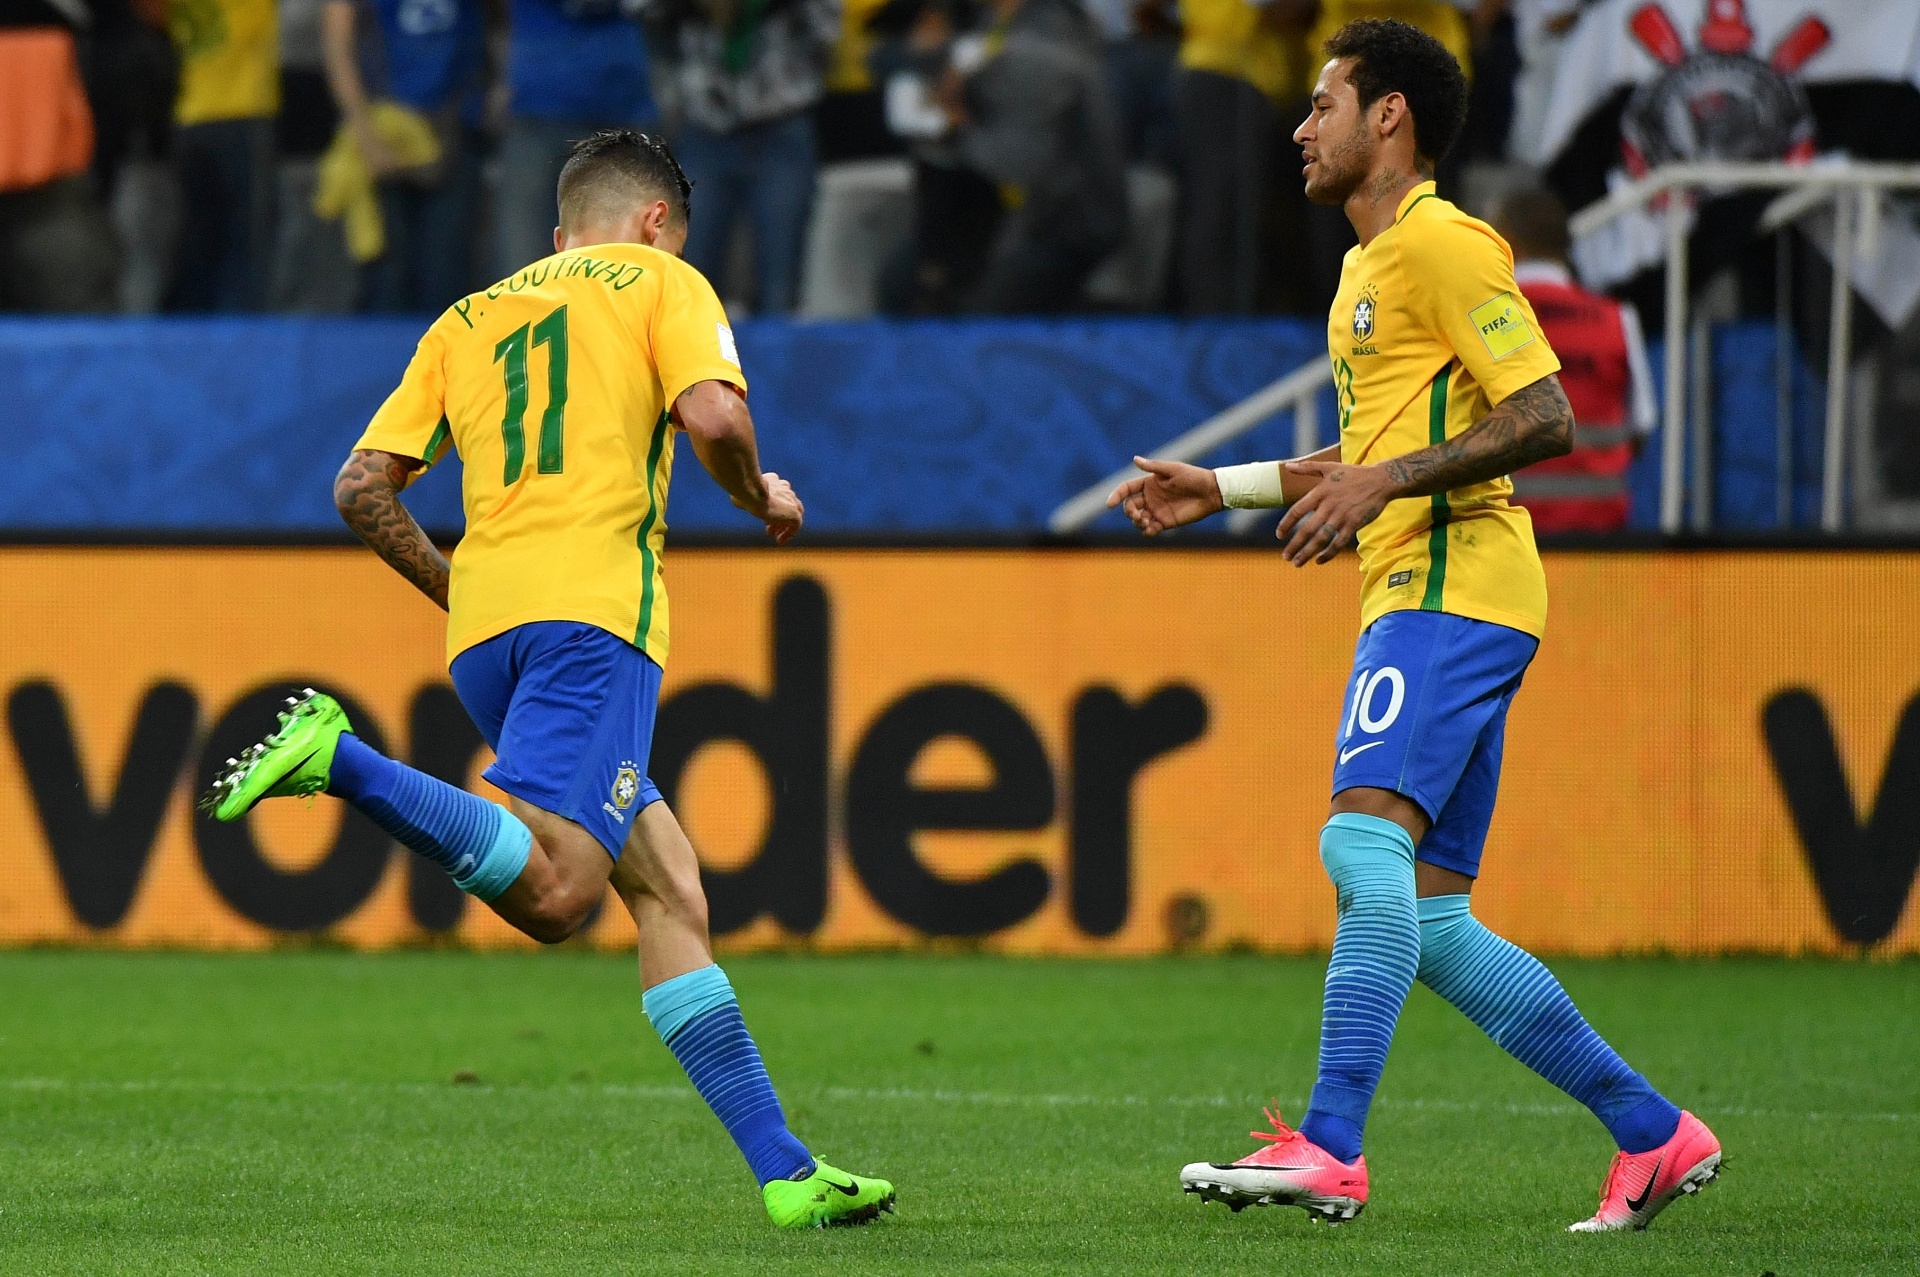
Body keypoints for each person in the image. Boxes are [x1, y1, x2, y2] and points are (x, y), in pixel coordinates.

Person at [199, 129, 895, 1230]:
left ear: (559, 230)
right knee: (565, 893)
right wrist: (760, 494)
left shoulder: (470, 314)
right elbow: (713, 415)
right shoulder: (664, 278)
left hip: (487, 638)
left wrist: (464, 587)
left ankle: (787, 1171)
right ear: (657, 219)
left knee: (669, 889)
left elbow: (360, 487)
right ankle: (342, 758)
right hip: (591, 619)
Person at [1107, 19, 1720, 1233]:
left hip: (1450, 575)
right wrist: (1222, 487)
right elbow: (1376, 449)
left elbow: (1545, 413)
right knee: (1431, 920)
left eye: (1324, 103)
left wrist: (1385, 487)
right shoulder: (1365, 269)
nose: (1300, 124)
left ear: (1389, 117)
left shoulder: (1442, 243)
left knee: (1356, 846)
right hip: (1442, 583)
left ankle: (1331, 1144)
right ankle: (1656, 1132)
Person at [642, 0, 839, 316]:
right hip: (703, 128)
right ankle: (689, 365)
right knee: (687, 281)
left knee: (781, 288)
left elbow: (829, 28)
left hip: (781, 124)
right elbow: (640, 12)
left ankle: (777, 364)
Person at [1497, 187, 1655, 533]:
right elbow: (1641, 427)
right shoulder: (1617, 319)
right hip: (1600, 542)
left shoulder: (1483, 321)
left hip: (1508, 539)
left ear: (1505, 243)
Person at [320, 0, 489, 311]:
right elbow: (338, 45)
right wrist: (365, 135)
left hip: (454, 128)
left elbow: (500, 19)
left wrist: (494, 91)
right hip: (385, 128)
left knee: (447, 275)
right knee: (385, 275)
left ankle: (445, 359)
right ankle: (377, 358)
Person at [494, 0, 657, 278]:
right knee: (524, 256)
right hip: (538, 110)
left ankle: (627, 320)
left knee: (630, 254)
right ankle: (522, 318)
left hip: (621, 106)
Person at [165, 0, 280, 310]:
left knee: (197, 233)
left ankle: (193, 323)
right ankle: (240, 325)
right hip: (242, 114)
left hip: (188, 115)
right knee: (245, 238)